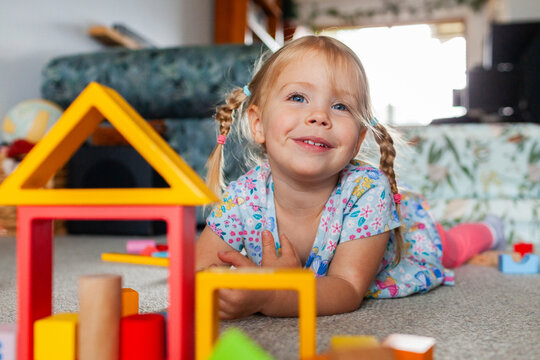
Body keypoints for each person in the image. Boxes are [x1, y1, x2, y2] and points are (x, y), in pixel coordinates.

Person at [195, 36, 505, 319]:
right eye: (298, 97)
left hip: (409, 235)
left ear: (357, 140)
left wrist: (277, 295)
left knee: (453, 246)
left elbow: (347, 288)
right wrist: (225, 287)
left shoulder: (368, 192)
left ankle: (489, 230)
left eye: (340, 106)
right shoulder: (243, 196)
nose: (319, 116)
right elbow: (198, 273)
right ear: (258, 123)